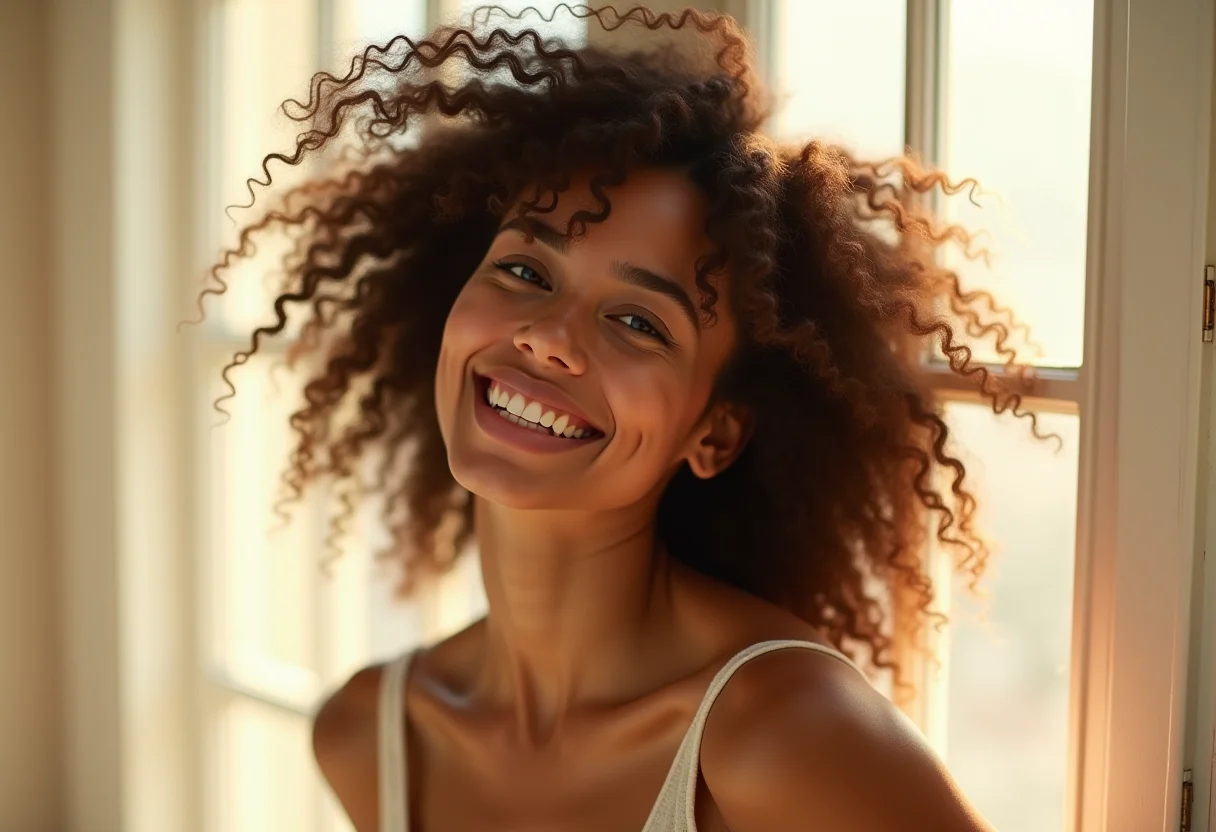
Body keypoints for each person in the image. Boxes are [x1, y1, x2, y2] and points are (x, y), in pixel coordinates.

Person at [202, 4, 1036, 829]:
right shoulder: (367, 736)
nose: (547, 338)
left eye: (638, 322)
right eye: (527, 271)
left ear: (714, 434)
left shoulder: (784, 733)